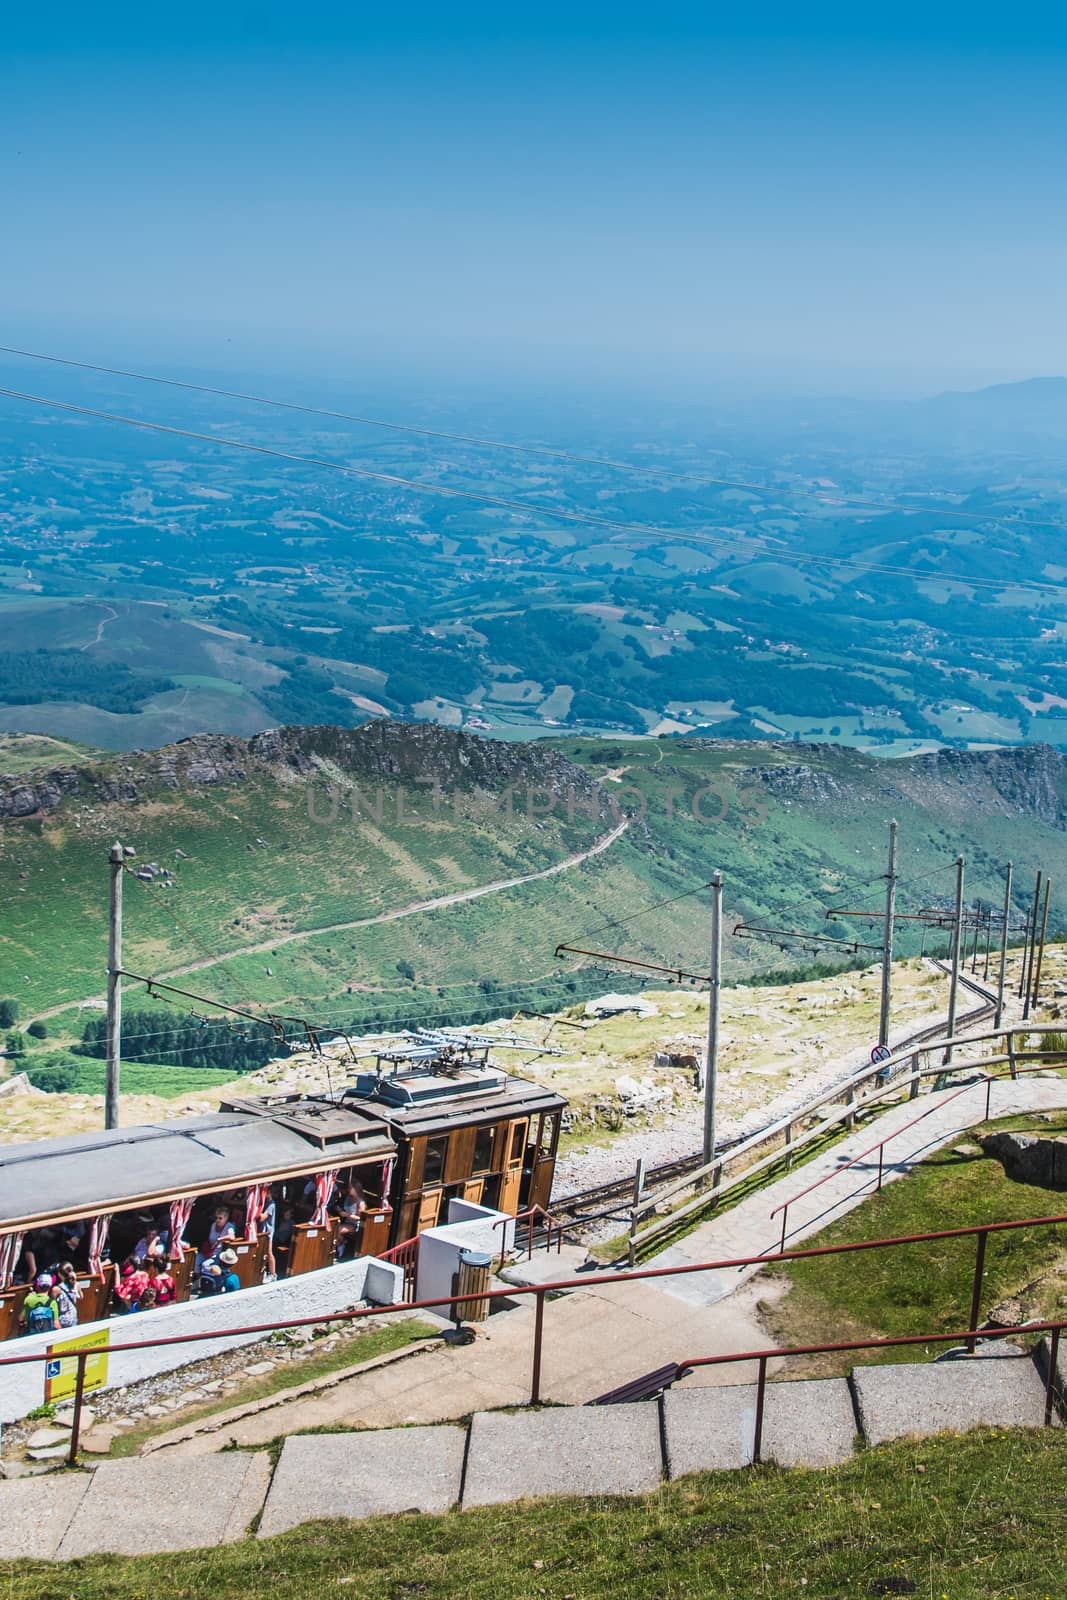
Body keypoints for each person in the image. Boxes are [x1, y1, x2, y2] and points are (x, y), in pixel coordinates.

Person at [195, 1206, 235, 1273]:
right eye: (216, 1218)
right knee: (196, 1259)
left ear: (226, 1218)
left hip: (219, 1254)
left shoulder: (229, 1226)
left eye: (220, 1218)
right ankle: (197, 1278)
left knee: (205, 1265)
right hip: (209, 1251)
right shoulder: (213, 1225)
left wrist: (220, 1239)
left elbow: (232, 1237)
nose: (217, 1220)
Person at [335, 1180, 366, 1261]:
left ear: (356, 1189)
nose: (348, 1189)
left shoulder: (360, 1203)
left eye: (350, 1187)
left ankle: (341, 1245)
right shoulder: (348, 1198)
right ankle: (341, 1243)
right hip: (346, 1221)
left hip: (355, 1225)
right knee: (333, 1228)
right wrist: (339, 1210)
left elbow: (361, 1218)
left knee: (337, 1230)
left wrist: (347, 1215)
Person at [257, 1190, 277, 1281]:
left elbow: (263, 1217)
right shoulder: (263, 1203)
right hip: (261, 1231)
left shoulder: (271, 1204)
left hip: (268, 1232)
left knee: (269, 1252)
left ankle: (273, 1274)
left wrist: (255, 1211)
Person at [54, 1262, 81, 1329]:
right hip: (73, 1316)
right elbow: (81, 1297)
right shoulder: (76, 1284)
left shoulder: (57, 1289)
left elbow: (52, 1304)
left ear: (59, 1274)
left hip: (63, 1318)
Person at [273, 1204, 295, 1279]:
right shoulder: (282, 1221)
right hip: (278, 1237)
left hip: (283, 1240)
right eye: (285, 1215)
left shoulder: (291, 1223)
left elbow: (288, 1233)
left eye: (287, 1215)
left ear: (291, 1215)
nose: (285, 1216)